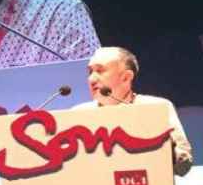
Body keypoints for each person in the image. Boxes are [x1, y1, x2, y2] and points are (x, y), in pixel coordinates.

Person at [74, 47, 193, 176]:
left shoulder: (155, 107)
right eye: (90, 71)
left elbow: (184, 164)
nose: (92, 79)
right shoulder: (78, 114)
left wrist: (163, 149)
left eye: (100, 70)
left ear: (126, 77)